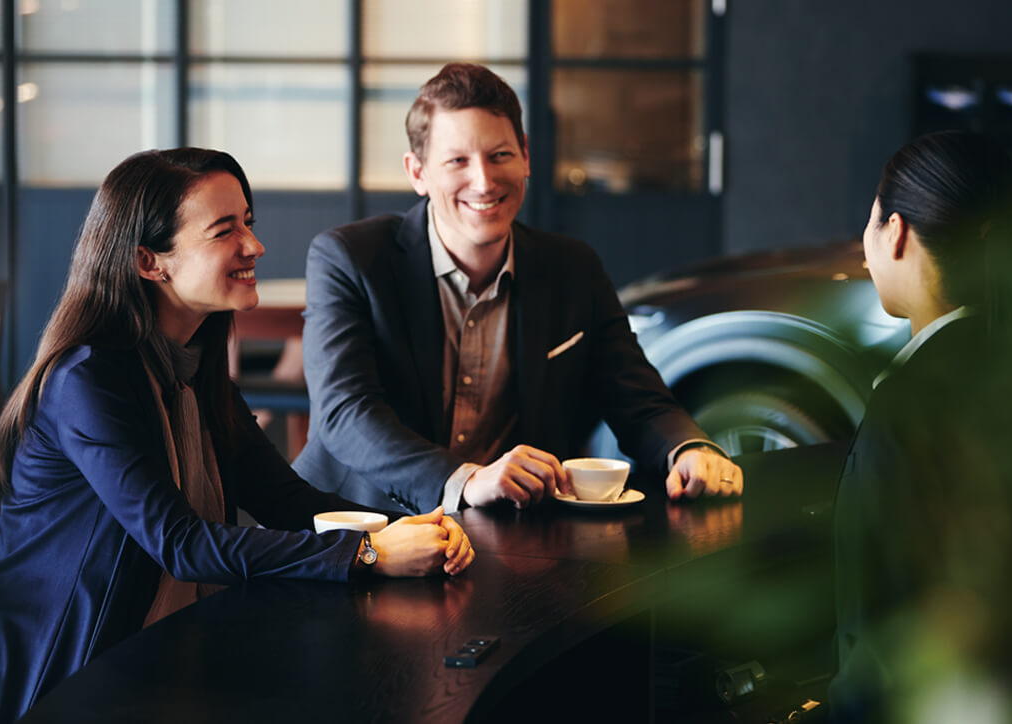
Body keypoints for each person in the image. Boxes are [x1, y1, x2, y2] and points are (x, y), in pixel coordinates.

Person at [0, 148, 474, 723]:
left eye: (248, 223)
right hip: (64, 680)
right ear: (149, 261)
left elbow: (286, 501)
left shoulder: (194, 364)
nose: (254, 246)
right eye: (224, 230)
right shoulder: (88, 379)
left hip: (161, 658)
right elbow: (181, 543)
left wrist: (409, 531)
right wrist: (367, 553)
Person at [293, 63, 742, 515]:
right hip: (360, 530)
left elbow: (637, 397)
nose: (484, 181)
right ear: (418, 173)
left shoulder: (572, 268)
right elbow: (345, 413)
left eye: (500, 155)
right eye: (457, 161)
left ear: (526, 155)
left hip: (506, 537)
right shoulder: (349, 258)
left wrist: (688, 449)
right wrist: (464, 479)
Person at [830, 130, 1012, 721]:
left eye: (871, 219)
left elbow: (886, 632)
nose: (864, 248)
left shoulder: (910, 403)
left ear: (897, 231)